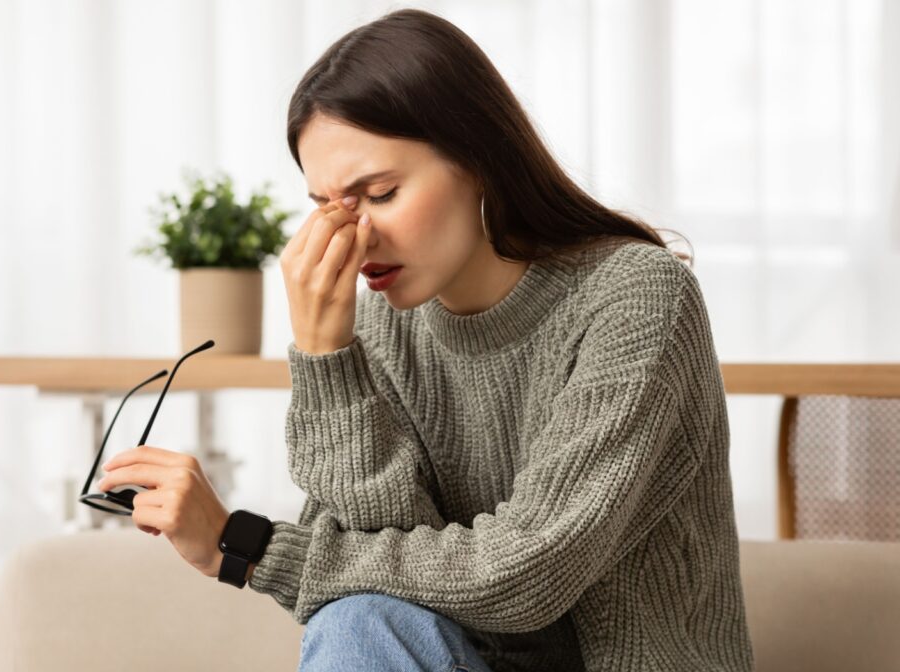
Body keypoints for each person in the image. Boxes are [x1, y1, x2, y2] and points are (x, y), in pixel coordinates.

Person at [97, 8, 755, 671]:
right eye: (327, 208)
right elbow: (377, 585)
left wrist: (245, 547)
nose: (356, 238)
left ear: (479, 158)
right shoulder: (385, 327)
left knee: (358, 618)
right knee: (357, 621)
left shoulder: (634, 295)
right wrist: (327, 359)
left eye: (379, 193)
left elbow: (529, 573)